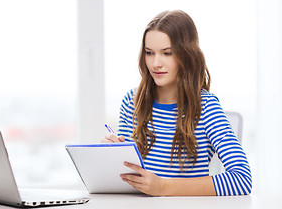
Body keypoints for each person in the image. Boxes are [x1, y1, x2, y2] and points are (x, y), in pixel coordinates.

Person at [102, 10, 252, 196]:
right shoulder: (132, 102)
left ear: (187, 55)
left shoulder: (206, 107)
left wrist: (164, 187)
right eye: (149, 53)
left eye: (167, 53)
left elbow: (242, 179)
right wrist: (112, 156)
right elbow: (129, 178)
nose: (156, 63)